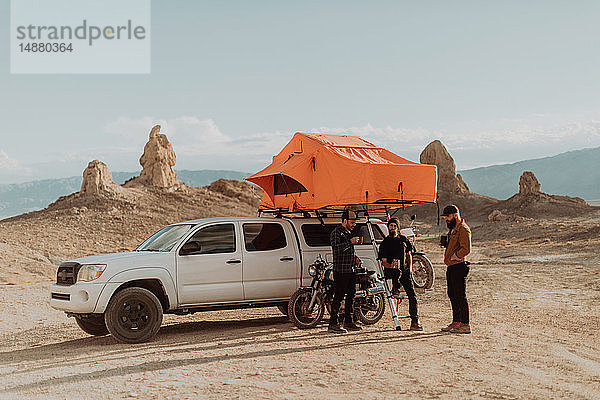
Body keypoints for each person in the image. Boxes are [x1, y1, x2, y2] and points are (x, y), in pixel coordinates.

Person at [378, 218, 423, 331]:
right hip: (391, 271)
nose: (392, 228)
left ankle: (414, 321)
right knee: (396, 272)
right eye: (390, 226)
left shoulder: (403, 240)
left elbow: (409, 255)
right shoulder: (385, 243)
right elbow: (383, 261)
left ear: (397, 228)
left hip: (404, 271)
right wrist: (390, 265)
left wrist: (411, 269)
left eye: (394, 226)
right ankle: (395, 289)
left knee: (412, 295)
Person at [328, 210, 363, 334]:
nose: (354, 224)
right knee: (338, 297)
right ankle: (333, 323)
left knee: (351, 296)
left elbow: (348, 251)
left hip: (351, 269)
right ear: (344, 221)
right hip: (341, 271)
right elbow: (336, 249)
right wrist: (350, 242)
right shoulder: (336, 233)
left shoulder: (348, 233)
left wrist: (355, 258)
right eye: (352, 222)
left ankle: (349, 321)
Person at [440, 204, 472, 334]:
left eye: (447, 216)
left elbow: (466, 248)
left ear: (455, 215)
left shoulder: (463, 229)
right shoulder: (453, 229)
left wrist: (455, 255)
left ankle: (465, 324)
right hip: (451, 266)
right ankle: (456, 321)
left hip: (459, 266)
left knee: (460, 295)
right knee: (452, 294)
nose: (446, 219)